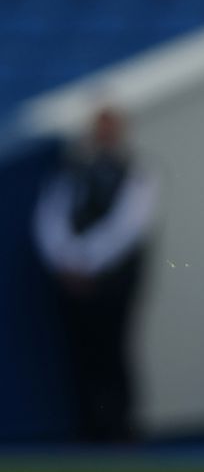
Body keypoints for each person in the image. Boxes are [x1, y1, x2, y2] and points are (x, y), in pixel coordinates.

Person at [33, 105, 157, 442]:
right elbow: (51, 220)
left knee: (113, 353)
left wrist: (88, 261)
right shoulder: (72, 172)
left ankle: (120, 429)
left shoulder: (134, 172)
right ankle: (87, 430)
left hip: (114, 283)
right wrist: (68, 262)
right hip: (71, 283)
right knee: (79, 356)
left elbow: (128, 227)